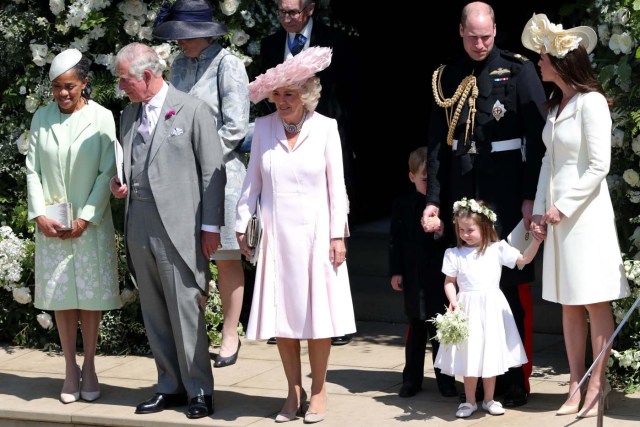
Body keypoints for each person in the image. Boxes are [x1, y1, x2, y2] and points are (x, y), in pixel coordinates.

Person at [421, 1, 547, 406]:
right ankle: (466, 376)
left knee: (510, 291)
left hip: (506, 196)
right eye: (473, 35)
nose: (480, 43)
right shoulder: (447, 75)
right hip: (462, 196)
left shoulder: (519, 69)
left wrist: (530, 196)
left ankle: (515, 379)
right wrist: (434, 201)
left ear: (496, 30)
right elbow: (438, 148)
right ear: (460, 31)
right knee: (462, 290)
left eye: (487, 35)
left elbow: (537, 138)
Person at [236, 46, 356, 424]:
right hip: (276, 235)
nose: (284, 101)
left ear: (306, 95)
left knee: (317, 319)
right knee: (283, 318)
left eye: (291, 94)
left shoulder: (326, 128)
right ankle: (293, 391)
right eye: (279, 94)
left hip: (318, 235)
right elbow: (251, 181)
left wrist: (338, 235)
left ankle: (318, 391)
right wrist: (242, 223)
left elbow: (338, 187)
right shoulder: (264, 129)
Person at [521, 14, 631, 418]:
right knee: (569, 302)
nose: (539, 61)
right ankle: (574, 383)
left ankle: (596, 385)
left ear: (563, 62)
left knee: (593, 301)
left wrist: (562, 206)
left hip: (584, 218)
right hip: (555, 218)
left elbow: (598, 166)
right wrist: (536, 211)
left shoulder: (592, 102)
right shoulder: (556, 105)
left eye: (544, 56)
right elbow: (549, 163)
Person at [110, 42, 225, 419]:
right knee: (155, 310)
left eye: (125, 80)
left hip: (180, 226)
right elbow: (128, 163)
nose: (121, 87)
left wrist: (211, 228)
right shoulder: (128, 115)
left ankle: (200, 390)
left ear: (147, 75)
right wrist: (119, 185)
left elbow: (212, 173)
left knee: (185, 308)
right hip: (138, 222)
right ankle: (169, 385)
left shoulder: (192, 110)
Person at [152, 0, 249, 369]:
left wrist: (201, 158)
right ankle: (193, 336)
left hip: (220, 175)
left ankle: (229, 333)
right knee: (189, 259)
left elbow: (236, 127)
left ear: (204, 33)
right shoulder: (177, 65)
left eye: (185, 37)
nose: (180, 43)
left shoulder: (229, 65)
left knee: (225, 257)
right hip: (182, 177)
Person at [258, 0, 359, 347]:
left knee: (330, 229)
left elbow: (347, 93)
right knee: (286, 239)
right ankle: (284, 319)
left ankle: (333, 319)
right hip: (283, 139)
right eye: (282, 12)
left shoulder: (334, 42)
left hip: (323, 136)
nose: (287, 19)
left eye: (293, 12)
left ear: (310, 9)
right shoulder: (270, 45)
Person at [25, 49, 121, 404]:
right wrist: (39, 214)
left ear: (84, 83)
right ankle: (69, 368)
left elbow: (107, 170)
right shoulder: (41, 117)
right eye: (56, 87)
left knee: (90, 300)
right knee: (62, 297)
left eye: (69, 86)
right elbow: (32, 167)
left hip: (90, 224)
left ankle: (91, 365)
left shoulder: (102, 117)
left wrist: (86, 216)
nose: (63, 93)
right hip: (52, 224)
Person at [434, 198, 542, 418]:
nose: (465, 234)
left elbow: (523, 259)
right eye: (461, 229)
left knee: (490, 353)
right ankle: (470, 400)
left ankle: (489, 399)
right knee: (470, 354)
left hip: (491, 308)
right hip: (467, 309)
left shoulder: (497, 249)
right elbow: (449, 281)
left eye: (470, 230)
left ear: (485, 227)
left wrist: (537, 242)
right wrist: (453, 301)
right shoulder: (454, 254)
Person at [388, 147, 457, 399]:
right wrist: (396, 271)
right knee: (416, 330)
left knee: (440, 331)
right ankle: (411, 379)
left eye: (432, 179)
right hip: (413, 275)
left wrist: (440, 229)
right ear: (412, 177)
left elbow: (453, 237)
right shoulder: (403, 204)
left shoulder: (443, 205)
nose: (428, 184)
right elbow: (395, 240)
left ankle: (446, 379)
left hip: (437, 276)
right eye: (423, 178)